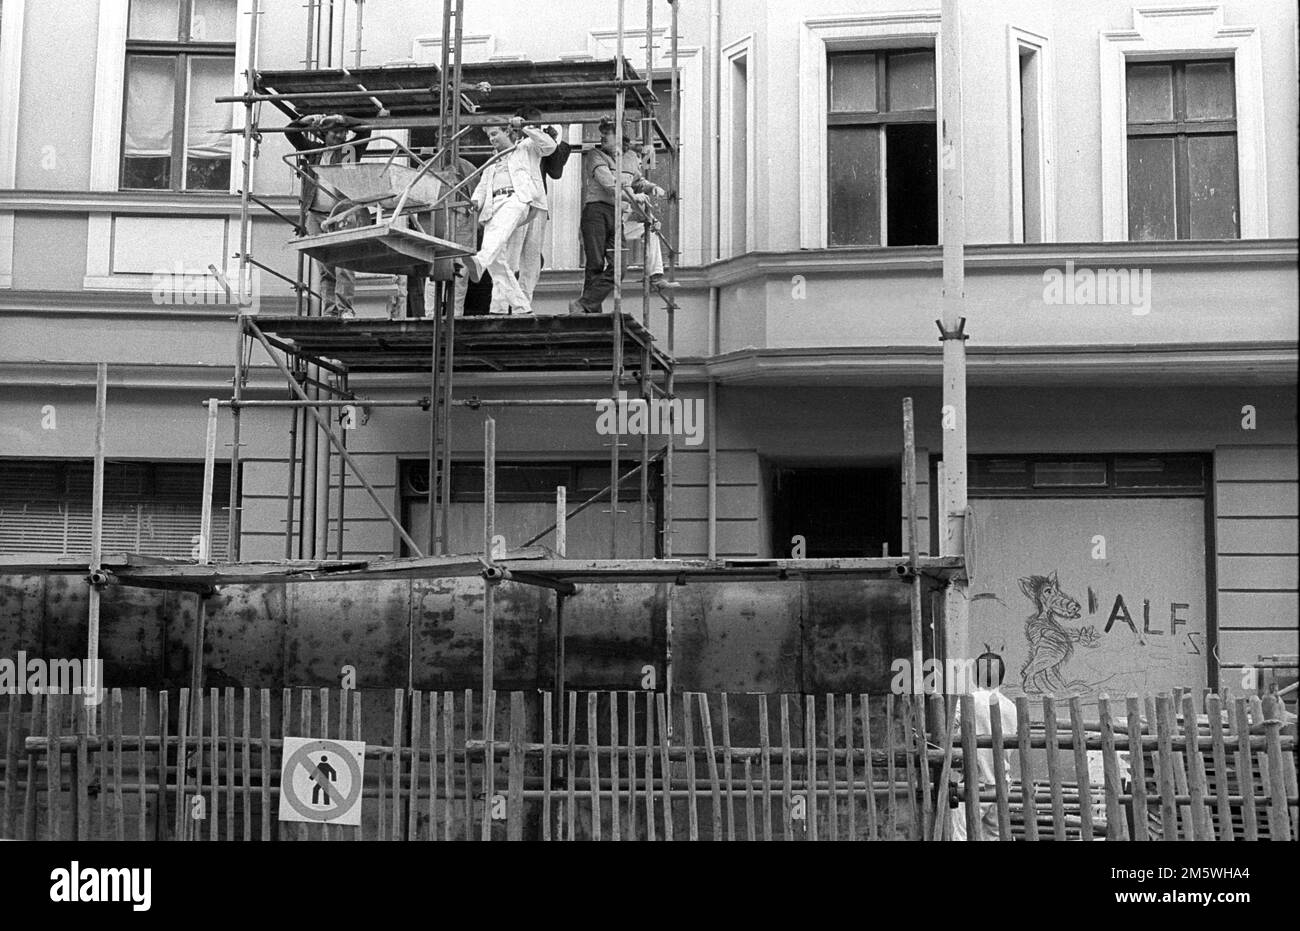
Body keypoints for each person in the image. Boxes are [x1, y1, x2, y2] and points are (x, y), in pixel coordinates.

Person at [569, 117, 678, 316]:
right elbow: (609, 185)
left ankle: (584, 304)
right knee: (595, 264)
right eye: (602, 132)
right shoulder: (595, 155)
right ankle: (589, 310)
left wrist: (651, 187)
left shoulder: (630, 157)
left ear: (620, 136)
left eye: (606, 133)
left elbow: (637, 180)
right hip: (596, 211)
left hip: (616, 214)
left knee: (620, 267)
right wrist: (634, 196)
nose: (602, 136)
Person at [464, 114, 557, 316]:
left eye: (495, 133)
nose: (492, 139)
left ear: (507, 131)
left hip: (516, 199)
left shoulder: (525, 147)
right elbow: (481, 187)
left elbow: (550, 146)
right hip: (492, 207)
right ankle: (520, 307)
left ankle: (480, 260)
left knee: (497, 248)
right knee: (497, 259)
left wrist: (525, 127)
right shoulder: (492, 162)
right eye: (489, 136)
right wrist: (475, 202)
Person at [286, 113, 372, 318]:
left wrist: (342, 118)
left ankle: (345, 309)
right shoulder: (315, 152)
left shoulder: (349, 151)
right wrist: (307, 121)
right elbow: (291, 132)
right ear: (324, 134)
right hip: (316, 217)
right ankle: (330, 311)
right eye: (335, 132)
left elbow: (366, 128)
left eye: (343, 132)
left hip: (342, 216)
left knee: (345, 264)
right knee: (326, 267)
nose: (341, 136)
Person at [949, 653, 1017, 841]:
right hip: (1001, 782)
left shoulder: (969, 700)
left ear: (974, 675)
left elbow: (950, 733)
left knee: (961, 834)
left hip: (975, 782)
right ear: (1002, 677)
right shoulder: (1011, 707)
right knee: (995, 836)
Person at [513, 106, 572, 306]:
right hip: (515, 205)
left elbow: (556, 171)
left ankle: (523, 303)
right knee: (512, 256)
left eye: (539, 125)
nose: (536, 128)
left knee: (531, 257)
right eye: (532, 123)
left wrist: (559, 140)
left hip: (537, 204)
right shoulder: (512, 142)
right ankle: (508, 303)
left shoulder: (541, 144)